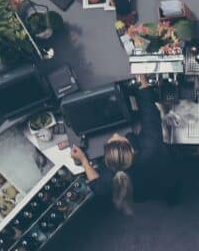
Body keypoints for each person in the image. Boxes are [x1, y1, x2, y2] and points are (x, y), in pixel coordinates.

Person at [70, 76, 179, 215]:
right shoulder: (149, 145)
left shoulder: (111, 178)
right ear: (132, 150)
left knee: (158, 193)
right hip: (165, 178)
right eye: (119, 139)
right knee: (170, 190)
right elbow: (150, 113)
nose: (115, 135)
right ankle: (172, 199)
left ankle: (169, 199)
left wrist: (84, 161)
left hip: (141, 194)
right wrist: (142, 81)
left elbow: (96, 186)